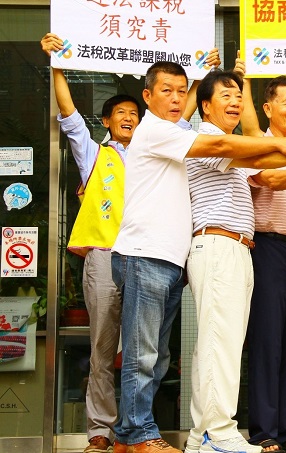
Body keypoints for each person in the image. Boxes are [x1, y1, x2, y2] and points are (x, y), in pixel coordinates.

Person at [110, 61, 286, 453]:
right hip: (212, 245)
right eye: (226, 95)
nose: (236, 102)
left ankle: (200, 435)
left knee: (213, 344)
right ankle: (214, 433)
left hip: (223, 249)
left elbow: (263, 164)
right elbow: (237, 151)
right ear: (204, 106)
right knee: (207, 345)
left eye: (240, 96)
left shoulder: (211, 140)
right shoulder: (198, 136)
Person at [41, 32, 218, 453]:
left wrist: (200, 74)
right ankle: (101, 431)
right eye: (120, 113)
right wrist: (58, 64)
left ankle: (129, 431)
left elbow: (180, 111)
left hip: (150, 253)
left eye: (133, 113)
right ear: (106, 121)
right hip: (107, 255)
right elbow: (69, 115)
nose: (128, 118)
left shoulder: (156, 140)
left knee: (150, 350)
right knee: (106, 348)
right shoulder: (95, 154)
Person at [183, 69, 286, 453]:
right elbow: (269, 178)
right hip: (258, 248)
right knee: (257, 343)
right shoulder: (232, 143)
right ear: (267, 108)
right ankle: (253, 431)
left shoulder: (281, 146)